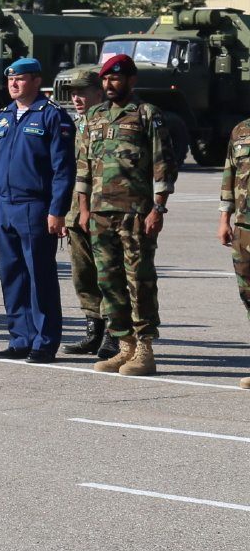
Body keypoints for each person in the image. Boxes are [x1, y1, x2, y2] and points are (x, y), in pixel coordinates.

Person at [75, 52, 175, 376]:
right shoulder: (94, 116)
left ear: (131, 80)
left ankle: (144, 349)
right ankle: (124, 346)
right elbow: (84, 168)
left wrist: (158, 208)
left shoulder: (147, 114)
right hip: (100, 214)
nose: (108, 84)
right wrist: (84, 209)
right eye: (105, 79)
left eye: (115, 78)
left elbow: (164, 165)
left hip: (136, 214)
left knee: (139, 281)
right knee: (108, 281)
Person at [0, 58, 74, 361]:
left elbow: (63, 169)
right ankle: (20, 338)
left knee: (39, 276)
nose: (13, 84)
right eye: (10, 80)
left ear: (36, 81)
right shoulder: (3, 117)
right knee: (13, 277)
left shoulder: (52, 117)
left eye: (20, 79)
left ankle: (44, 342)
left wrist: (57, 210)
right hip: (5, 207)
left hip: (36, 207)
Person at [60, 72, 111, 355]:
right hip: (74, 211)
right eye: (73, 93)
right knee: (83, 274)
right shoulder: (75, 125)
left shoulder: (111, 123)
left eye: (82, 92)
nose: (76, 98)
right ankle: (94, 331)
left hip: (103, 211)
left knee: (109, 275)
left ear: (99, 93)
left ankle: (114, 335)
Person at [215, 110, 250, 390]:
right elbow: (230, 175)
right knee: (248, 295)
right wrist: (224, 219)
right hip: (243, 228)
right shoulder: (240, 131)